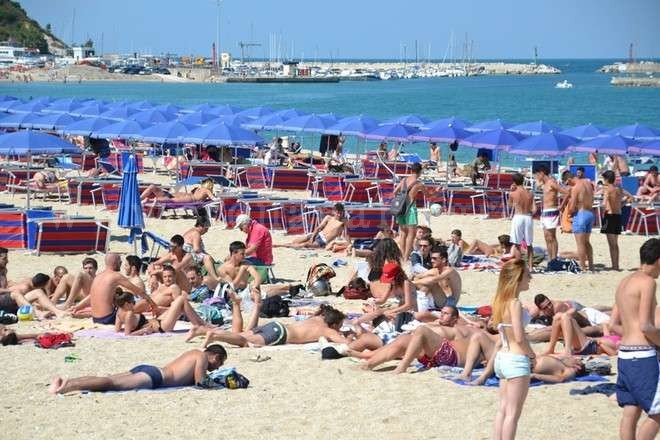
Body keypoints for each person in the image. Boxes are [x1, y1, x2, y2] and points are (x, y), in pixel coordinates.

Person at [614, 238, 660, 440]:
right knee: (657, 412)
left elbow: (614, 324)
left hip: (624, 354)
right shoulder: (648, 282)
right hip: (643, 356)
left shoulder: (624, 282)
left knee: (630, 411)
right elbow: (646, 326)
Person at [48, 345, 227, 394]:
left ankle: (66, 381)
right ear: (215, 356)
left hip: (150, 369)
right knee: (111, 383)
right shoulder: (202, 356)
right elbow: (200, 382)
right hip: (156, 377)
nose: (217, 367)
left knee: (108, 378)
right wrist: (221, 384)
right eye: (219, 363)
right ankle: (67, 387)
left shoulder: (193, 352)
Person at [491, 259, 535, 440]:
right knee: (512, 415)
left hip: (502, 358)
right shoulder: (514, 303)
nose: (530, 278)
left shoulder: (500, 300)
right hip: (516, 358)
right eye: (527, 275)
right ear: (517, 278)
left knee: (502, 410)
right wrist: (532, 355)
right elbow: (519, 336)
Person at [202, 303, 349, 347]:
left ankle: (201, 331)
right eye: (340, 326)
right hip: (279, 335)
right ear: (334, 324)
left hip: (276, 325)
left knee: (238, 336)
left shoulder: (318, 318)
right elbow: (345, 343)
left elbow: (321, 308)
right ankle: (214, 335)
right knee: (244, 342)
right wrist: (350, 335)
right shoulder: (328, 330)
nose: (340, 329)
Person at [74, 253, 157, 325]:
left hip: (95, 319)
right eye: (120, 261)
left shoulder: (98, 276)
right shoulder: (116, 276)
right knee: (143, 312)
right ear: (115, 262)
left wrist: (78, 307)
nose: (121, 263)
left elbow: (91, 296)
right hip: (108, 318)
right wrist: (153, 305)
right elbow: (140, 292)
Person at [115, 290, 210, 336]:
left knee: (179, 306)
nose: (134, 304)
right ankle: (200, 326)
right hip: (160, 327)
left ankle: (202, 325)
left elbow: (117, 329)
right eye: (133, 302)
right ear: (127, 304)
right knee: (181, 299)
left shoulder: (119, 312)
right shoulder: (129, 314)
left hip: (156, 322)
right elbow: (127, 335)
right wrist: (142, 331)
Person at [275, 203, 347, 250]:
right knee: (296, 241)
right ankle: (286, 245)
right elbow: (318, 228)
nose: (339, 214)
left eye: (340, 212)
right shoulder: (328, 218)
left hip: (323, 241)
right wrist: (312, 237)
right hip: (317, 235)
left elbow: (347, 234)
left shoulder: (343, 222)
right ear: (333, 211)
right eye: (337, 212)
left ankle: (280, 245)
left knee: (305, 244)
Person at [542, 312, 620, 356]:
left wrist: (601, 344)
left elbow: (614, 354)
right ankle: (550, 349)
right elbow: (605, 327)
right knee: (558, 316)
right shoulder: (612, 336)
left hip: (591, 346)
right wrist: (606, 325)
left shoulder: (622, 342)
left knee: (565, 317)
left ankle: (567, 350)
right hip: (588, 343)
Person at [562, 170, 595, 272]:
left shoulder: (576, 188)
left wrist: (568, 212)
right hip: (590, 214)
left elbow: (571, 207)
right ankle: (591, 266)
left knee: (580, 244)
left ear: (569, 179)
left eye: (567, 183)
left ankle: (583, 267)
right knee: (587, 242)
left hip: (581, 214)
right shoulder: (588, 183)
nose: (568, 186)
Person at [412, 245, 462, 311]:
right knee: (421, 280)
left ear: (443, 260)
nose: (432, 261)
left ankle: (419, 308)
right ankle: (417, 303)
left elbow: (433, 280)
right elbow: (416, 277)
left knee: (429, 283)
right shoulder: (435, 270)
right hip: (438, 300)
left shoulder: (450, 271)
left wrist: (413, 282)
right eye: (431, 258)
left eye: (434, 258)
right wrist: (414, 281)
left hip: (449, 302)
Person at [0, 273, 68, 319]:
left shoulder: (4, 270)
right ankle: (37, 313)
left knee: (38, 292)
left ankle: (57, 312)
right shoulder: (25, 287)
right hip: (4, 300)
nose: (7, 260)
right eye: (4, 258)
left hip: (11, 301)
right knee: (16, 293)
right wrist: (9, 290)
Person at [217, 241, 262, 309]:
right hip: (234, 295)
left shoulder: (246, 263)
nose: (245, 256)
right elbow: (232, 287)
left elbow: (257, 277)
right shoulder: (222, 269)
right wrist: (241, 271)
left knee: (280, 288)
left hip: (248, 290)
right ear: (234, 253)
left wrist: (255, 286)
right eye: (242, 254)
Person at [394, 163, 425, 260]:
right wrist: (436, 191)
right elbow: (429, 196)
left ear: (411, 171)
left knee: (403, 233)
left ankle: (402, 255)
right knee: (411, 234)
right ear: (420, 172)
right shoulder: (419, 184)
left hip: (401, 207)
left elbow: (395, 192)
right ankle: (406, 257)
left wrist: (401, 199)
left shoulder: (403, 180)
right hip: (410, 208)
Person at [535, 165, 565, 261]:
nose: (536, 177)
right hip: (545, 211)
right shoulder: (545, 184)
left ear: (542, 173)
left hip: (552, 211)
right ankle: (550, 259)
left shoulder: (552, 182)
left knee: (552, 236)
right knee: (547, 237)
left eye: (537, 175)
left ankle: (554, 259)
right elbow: (538, 186)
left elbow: (566, 192)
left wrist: (562, 205)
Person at [508, 173, 535, 271]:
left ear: (514, 182)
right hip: (528, 217)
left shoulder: (513, 193)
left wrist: (511, 191)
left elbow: (510, 206)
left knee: (517, 244)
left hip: (518, 217)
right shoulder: (530, 193)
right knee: (529, 244)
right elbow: (532, 206)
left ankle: (520, 266)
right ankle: (531, 266)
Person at [182, 217, 219, 285]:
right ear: (199, 226)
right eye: (206, 229)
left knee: (206, 256)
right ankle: (215, 277)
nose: (207, 231)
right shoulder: (196, 234)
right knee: (207, 258)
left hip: (185, 253)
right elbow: (196, 249)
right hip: (189, 254)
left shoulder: (190, 230)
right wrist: (207, 254)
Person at [600, 170, 625, 271]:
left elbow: (604, 203)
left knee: (611, 244)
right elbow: (629, 196)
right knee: (615, 243)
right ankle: (616, 265)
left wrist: (602, 207)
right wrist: (621, 204)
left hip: (609, 216)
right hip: (618, 216)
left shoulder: (607, 190)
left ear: (606, 179)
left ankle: (614, 266)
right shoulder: (618, 189)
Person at [140, 179, 215, 203]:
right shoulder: (206, 190)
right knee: (170, 200)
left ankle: (140, 198)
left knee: (152, 186)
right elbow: (214, 199)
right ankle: (150, 200)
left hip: (173, 194)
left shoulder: (197, 189)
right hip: (186, 198)